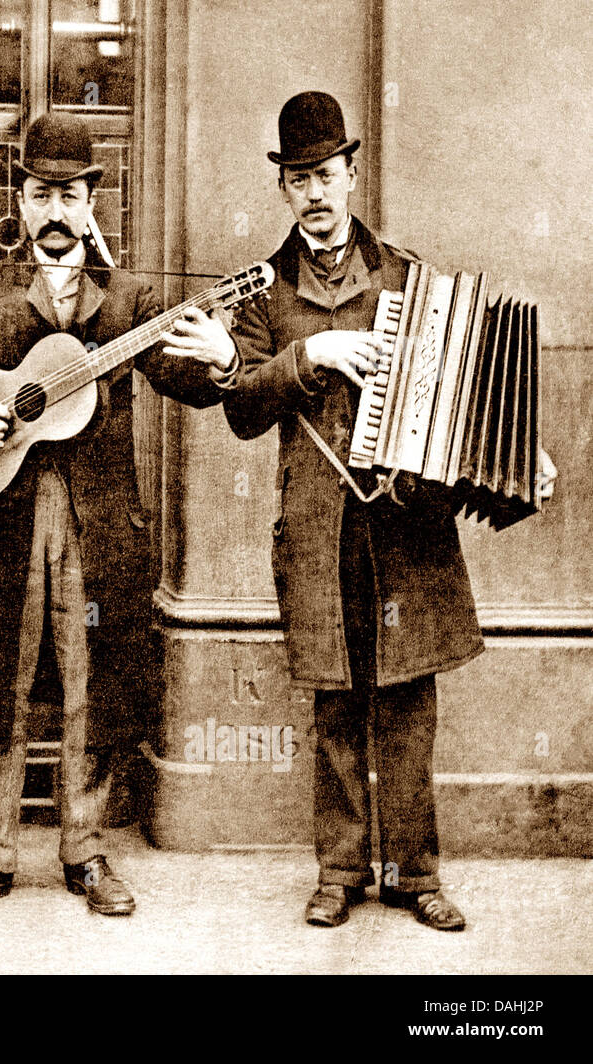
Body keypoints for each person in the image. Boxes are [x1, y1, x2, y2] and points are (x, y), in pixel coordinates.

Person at [224, 91, 555, 931]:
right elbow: (240, 406)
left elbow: (468, 387)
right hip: (318, 522)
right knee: (335, 699)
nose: (315, 193)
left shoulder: (408, 276)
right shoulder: (264, 295)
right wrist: (311, 353)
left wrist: (522, 454)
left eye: (326, 174)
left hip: (406, 525)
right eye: (298, 179)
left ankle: (416, 873)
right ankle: (338, 873)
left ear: (352, 174)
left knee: (407, 699)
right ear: (283, 189)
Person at [0, 111, 238, 917]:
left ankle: (86, 849)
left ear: (92, 202)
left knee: (94, 682)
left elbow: (183, 380)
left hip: (97, 520)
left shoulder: (131, 301)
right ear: (20, 200)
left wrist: (220, 357)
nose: (54, 211)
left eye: (69, 195)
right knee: (0, 680)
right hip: (3, 516)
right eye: (40, 193)